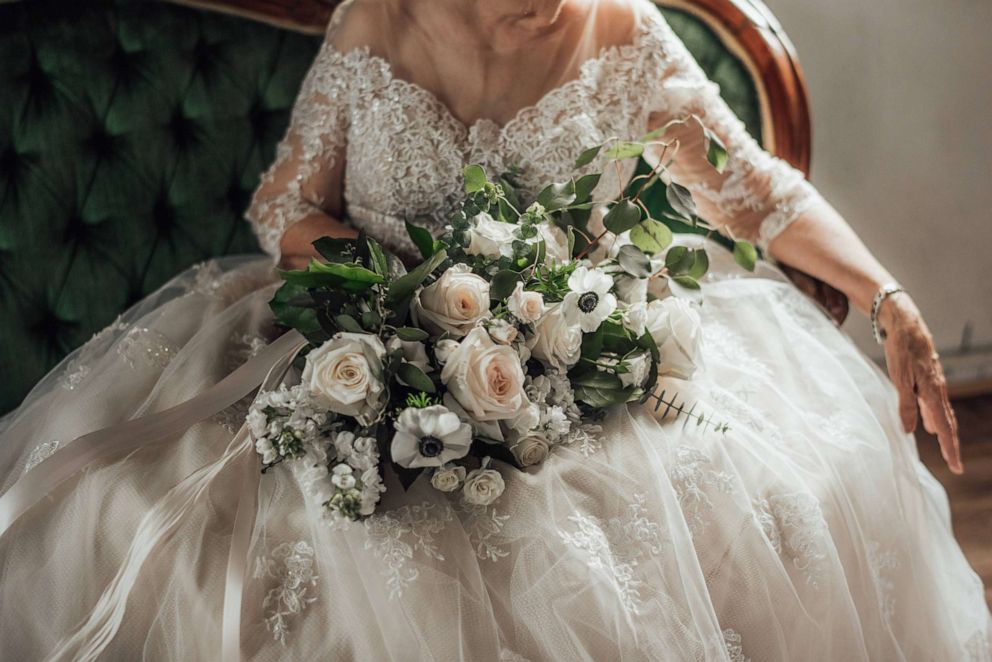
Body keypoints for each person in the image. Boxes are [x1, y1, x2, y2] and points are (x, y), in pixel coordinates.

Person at [0, 0, 988, 659]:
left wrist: (886, 297)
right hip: (355, 342)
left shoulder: (618, 27)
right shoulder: (372, 21)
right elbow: (284, 203)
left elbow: (753, 189)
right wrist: (378, 291)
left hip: (567, 362)